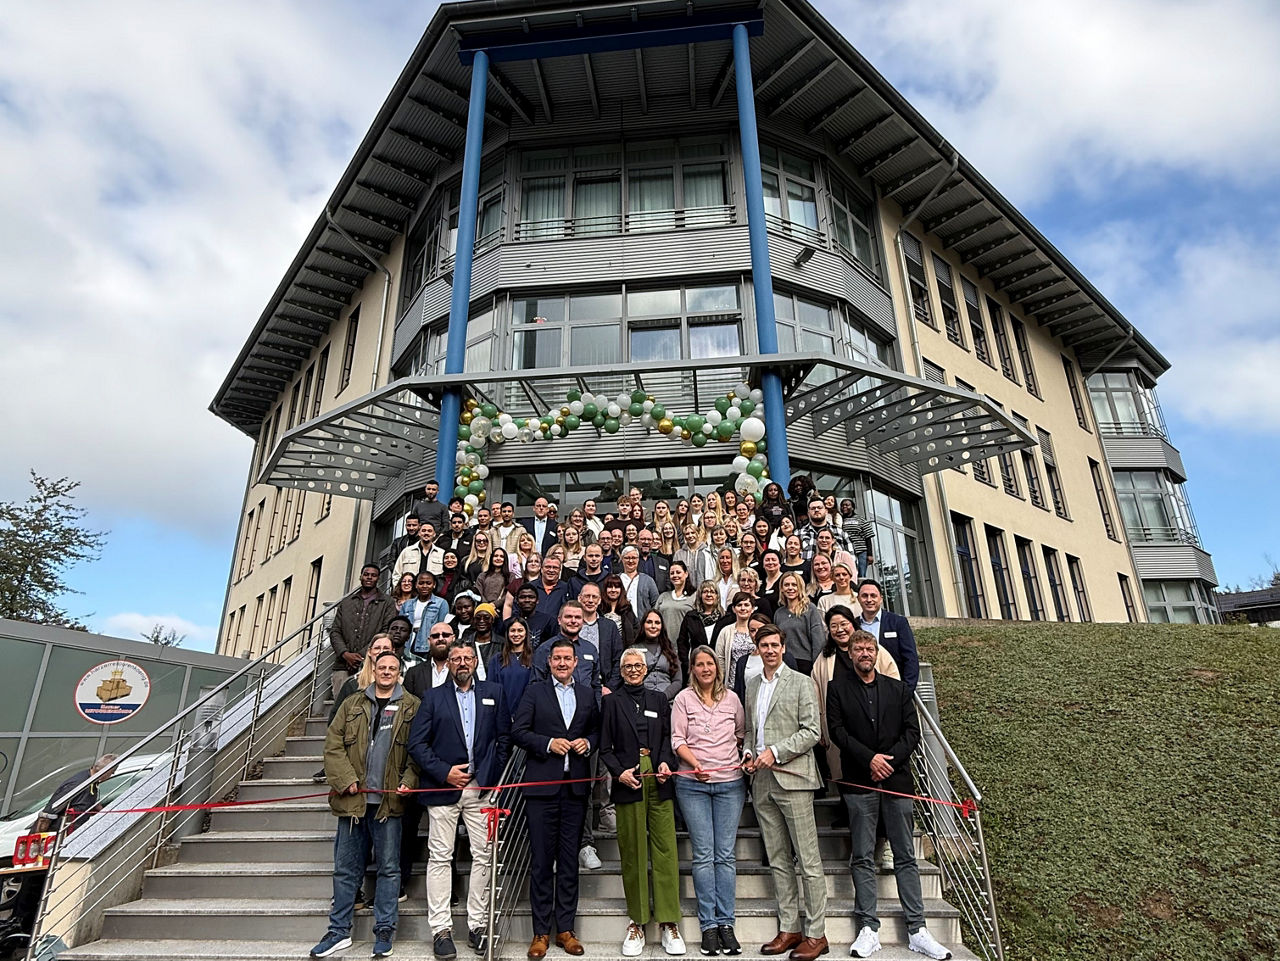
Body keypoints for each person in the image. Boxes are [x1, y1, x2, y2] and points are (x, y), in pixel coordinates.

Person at [828, 632, 951, 961]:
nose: (864, 653)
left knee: (905, 856)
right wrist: (870, 759)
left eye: (869, 648)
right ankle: (868, 928)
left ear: (877, 652)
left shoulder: (897, 689)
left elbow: (912, 732)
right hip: (859, 780)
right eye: (858, 649)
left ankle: (917, 929)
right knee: (862, 856)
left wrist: (888, 762)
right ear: (850, 654)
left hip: (896, 781)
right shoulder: (837, 688)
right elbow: (837, 731)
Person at [311, 651, 418, 960]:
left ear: (399, 673)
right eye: (382, 667)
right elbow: (332, 745)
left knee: (389, 869)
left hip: (388, 804)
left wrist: (409, 781)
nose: (386, 672)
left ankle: (384, 930)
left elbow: (417, 752)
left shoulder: (412, 706)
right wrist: (345, 779)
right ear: (374, 669)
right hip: (352, 803)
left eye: (392, 668)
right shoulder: (352, 703)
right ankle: (338, 931)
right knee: (346, 870)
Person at [408, 640, 510, 960]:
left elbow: (504, 739)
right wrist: (445, 772)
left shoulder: (494, 692)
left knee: (485, 855)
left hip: (482, 790)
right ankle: (441, 929)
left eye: (468, 657)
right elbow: (417, 744)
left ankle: (477, 925)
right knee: (440, 857)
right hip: (443, 790)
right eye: (456, 658)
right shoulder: (432, 697)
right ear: (448, 663)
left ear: (475, 662)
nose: (463, 662)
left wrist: (492, 778)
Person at [512, 638, 602, 959]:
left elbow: (596, 731)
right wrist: (548, 743)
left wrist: (587, 744)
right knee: (541, 862)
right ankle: (540, 932)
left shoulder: (587, 694)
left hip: (574, 789)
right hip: (541, 789)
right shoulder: (535, 692)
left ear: (576, 662)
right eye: (557, 658)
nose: (562, 663)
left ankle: (565, 929)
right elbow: (518, 731)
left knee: (568, 862)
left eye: (568, 658)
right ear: (549, 662)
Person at [741, 627, 827, 961]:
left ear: (783, 647)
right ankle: (790, 928)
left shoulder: (802, 682)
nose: (770, 650)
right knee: (778, 859)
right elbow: (752, 731)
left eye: (775, 645)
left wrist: (775, 752)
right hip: (762, 781)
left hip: (794, 779)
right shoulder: (752, 685)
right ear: (757, 649)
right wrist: (749, 753)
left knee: (808, 860)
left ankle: (817, 934)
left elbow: (812, 731)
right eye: (764, 645)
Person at [600, 648, 685, 958]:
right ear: (621, 671)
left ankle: (668, 921)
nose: (634, 670)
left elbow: (667, 739)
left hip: (658, 778)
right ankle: (637, 921)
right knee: (633, 850)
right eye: (628, 666)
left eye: (638, 665)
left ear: (647, 669)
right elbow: (604, 747)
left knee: (665, 850)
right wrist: (618, 772)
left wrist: (665, 763)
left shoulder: (659, 699)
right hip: (629, 778)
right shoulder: (611, 702)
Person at [670, 645, 746, 957]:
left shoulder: (732, 699)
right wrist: (695, 764)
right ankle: (709, 927)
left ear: (717, 668)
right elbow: (677, 740)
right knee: (703, 855)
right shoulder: (682, 699)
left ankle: (726, 923)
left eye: (709, 664)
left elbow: (740, 734)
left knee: (724, 856)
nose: (705, 669)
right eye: (699, 664)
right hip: (693, 785)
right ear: (692, 669)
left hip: (730, 785)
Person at [330, 563, 399, 699]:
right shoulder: (347, 602)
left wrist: (361, 655)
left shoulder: (387, 602)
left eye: (373, 575)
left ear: (378, 578)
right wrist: (345, 654)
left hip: (372, 664)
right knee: (341, 705)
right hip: (343, 664)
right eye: (366, 574)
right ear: (360, 577)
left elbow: (386, 630)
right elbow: (335, 631)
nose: (369, 577)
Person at [856, 578, 919, 696]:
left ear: (881, 599)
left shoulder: (898, 623)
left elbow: (910, 659)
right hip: (862, 691)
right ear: (858, 599)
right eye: (864, 596)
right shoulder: (854, 625)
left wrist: (906, 691)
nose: (869, 600)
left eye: (873, 596)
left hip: (894, 688)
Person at [774, 571, 825, 675]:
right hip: (784, 663)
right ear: (782, 589)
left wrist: (816, 667)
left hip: (805, 663)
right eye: (786, 585)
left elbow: (818, 641)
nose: (790, 588)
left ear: (800, 587)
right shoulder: (779, 613)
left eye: (794, 585)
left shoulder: (810, 609)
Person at [487, 617, 533, 722]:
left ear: (526, 633)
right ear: (507, 634)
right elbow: (491, 689)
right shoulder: (497, 659)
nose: (516, 634)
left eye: (520, 630)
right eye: (512, 630)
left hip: (527, 716)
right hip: (501, 715)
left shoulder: (534, 658)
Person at [676, 580, 723, 683]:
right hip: (697, 667)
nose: (709, 595)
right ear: (700, 595)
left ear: (717, 596)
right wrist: (686, 663)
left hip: (720, 668)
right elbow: (682, 642)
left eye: (712, 592)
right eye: (705, 592)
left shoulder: (726, 618)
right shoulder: (691, 617)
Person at [714, 592, 757, 693]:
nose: (743, 608)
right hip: (732, 684)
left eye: (746, 605)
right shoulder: (726, 631)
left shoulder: (758, 630)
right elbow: (720, 659)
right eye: (739, 605)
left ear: (752, 608)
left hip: (754, 682)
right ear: (733, 609)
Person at [635, 609, 683, 701]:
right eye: (649, 622)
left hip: (667, 700)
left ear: (661, 626)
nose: (653, 626)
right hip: (641, 700)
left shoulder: (670, 649)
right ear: (643, 625)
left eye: (657, 623)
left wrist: (664, 696)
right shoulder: (634, 649)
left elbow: (678, 680)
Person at [401, 571, 450, 657]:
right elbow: (401, 624)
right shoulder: (407, 604)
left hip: (427, 646)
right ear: (416, 585)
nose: (424, 586)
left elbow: (442, 627)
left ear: (434, 585)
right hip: (407, 643)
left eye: (428, 583)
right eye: (421, 583)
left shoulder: (441, 603)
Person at [403, 621, 457, 699]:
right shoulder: (414, 673)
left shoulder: (463, 669)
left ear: (453, 638)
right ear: (429, 641)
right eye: (435, 636)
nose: (440, 638)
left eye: (445, 635)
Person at [652, 561, 695, 655]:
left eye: (678, 572)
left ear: (686, 574)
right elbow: (654, 619)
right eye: (672, 573)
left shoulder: (694, 597)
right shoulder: (663, 597)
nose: (675, 575)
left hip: (686, 648)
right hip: (663, 647)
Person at [838, 499, 876, 579]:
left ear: (852, 507)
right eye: (842, 505)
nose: (844, 507)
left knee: (861, 575)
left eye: (847, 505)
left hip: (861, 551)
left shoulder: (861, 520)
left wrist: (870, 554)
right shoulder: (839, 520)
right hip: (846, 551)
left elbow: (868, 537)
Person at [601, 573, 639, 649]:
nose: (613, 590)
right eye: (610, 587)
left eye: (616, 587)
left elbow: (636, 628)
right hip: (604, 648)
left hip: (623, 648)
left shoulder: (627, 608)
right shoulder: (599, 608)